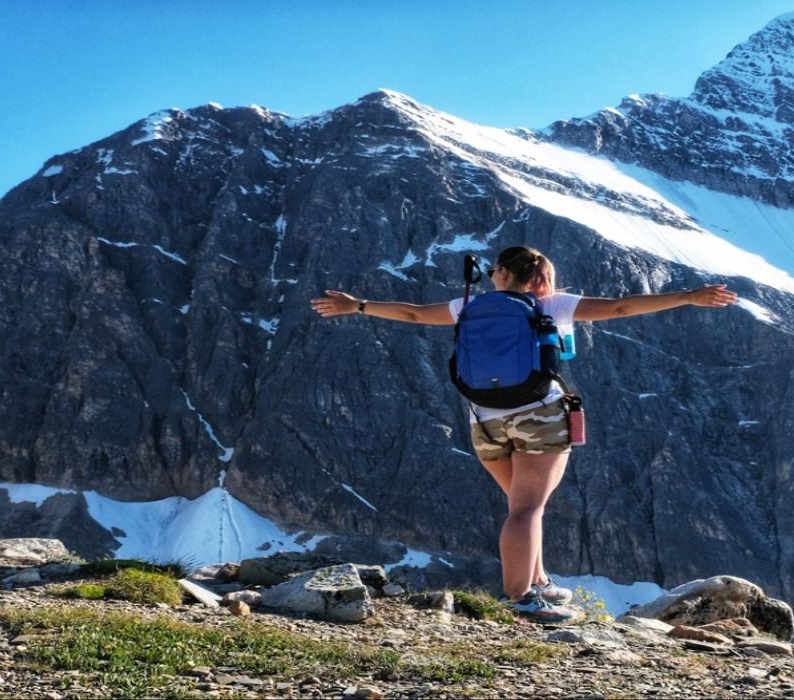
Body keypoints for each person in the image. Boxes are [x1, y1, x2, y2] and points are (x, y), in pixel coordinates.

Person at [312, 245, 737, 623]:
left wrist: (359, 305)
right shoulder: (550, 303)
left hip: (484, 420)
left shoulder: (469, 306)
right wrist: (687, 297)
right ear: (539, 277)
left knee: (520, 505)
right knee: (527, 510)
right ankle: (520, 598)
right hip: (539, 414)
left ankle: (539, 581)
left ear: (499, 273)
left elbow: (412, 313)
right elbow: (622, 307)